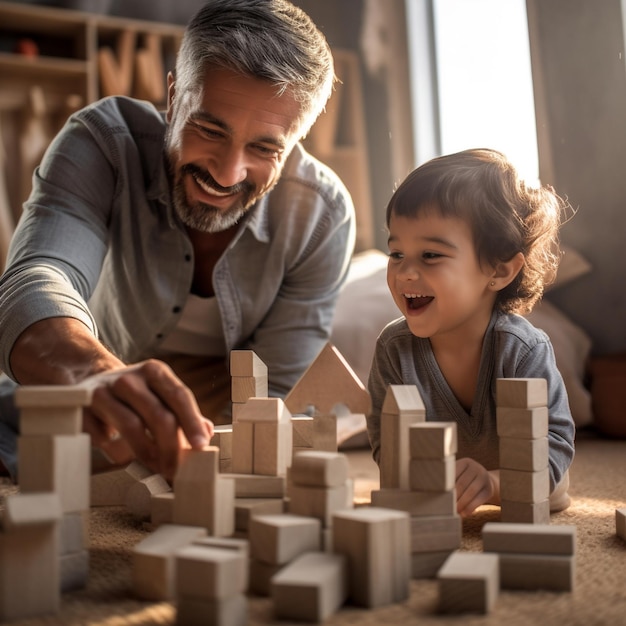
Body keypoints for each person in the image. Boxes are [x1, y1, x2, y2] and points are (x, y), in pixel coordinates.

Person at [0, 0, 356, 481]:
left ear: (294, 145)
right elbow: (38, 276)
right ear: (173, 96)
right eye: (209, 129)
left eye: (265, 148)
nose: (227, 173)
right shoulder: (102, 142)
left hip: (217, 427)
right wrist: (96, 375)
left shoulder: (323, 216)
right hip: (81, 398)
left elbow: (276, 397)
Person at [366, 148, 575, 517]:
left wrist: (493, 483)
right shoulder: (393, 349)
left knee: (550, 494)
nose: (405, 273)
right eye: (396, 253)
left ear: (499, 271)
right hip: (439, 483)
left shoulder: (523, 350)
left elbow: (554, 445)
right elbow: (387, 444)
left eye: (430, 255)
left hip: (521, 478)